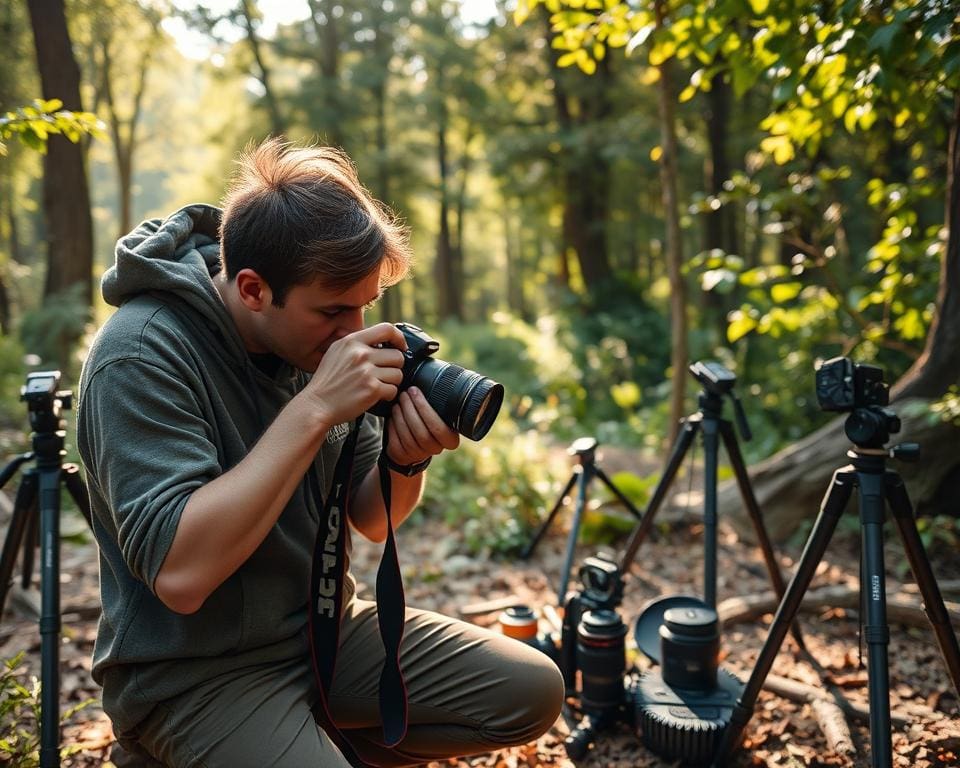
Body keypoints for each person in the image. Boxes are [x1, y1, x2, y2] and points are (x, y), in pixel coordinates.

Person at [77, 137, 564, 768]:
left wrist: (403, 461)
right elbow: (181, 577)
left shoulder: (313, 342)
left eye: (364, 307)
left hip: (321, 636)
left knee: (530, 692)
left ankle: (318, 745)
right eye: (334, 311)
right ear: (253, 289)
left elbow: (371, 518)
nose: (354, 333)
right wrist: (312, 411)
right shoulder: (140, 354)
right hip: (196, 675)